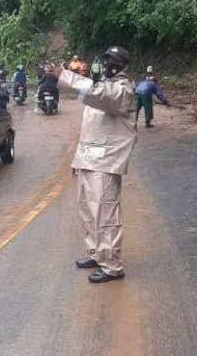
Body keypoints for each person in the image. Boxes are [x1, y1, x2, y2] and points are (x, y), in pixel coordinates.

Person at [48, 46, 136, 283]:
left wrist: (66, 75)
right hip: (89, 158)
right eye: (105, 60)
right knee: (88, 210)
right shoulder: (102, 87)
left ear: (120, 65)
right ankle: (97, 253)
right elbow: (89, 129)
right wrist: (78, 159)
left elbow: (100, 94)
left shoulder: (122, 89)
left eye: (110, 62)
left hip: (106, 162)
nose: (106, 65)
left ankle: (112, 265)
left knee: (105, 213)